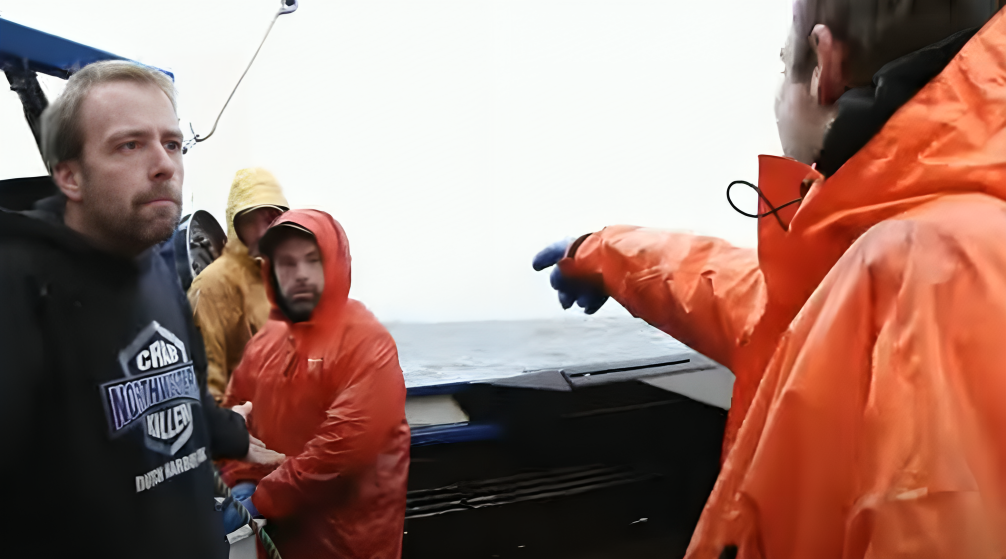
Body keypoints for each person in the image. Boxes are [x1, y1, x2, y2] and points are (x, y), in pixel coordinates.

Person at [534, 2, 1006, 557]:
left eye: (786, 66)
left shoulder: (918, 267)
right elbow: (738, 295)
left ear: (824, 68)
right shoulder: (913, 249)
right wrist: (603, 253)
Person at [0, 59, 276, 558]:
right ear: (69, 177)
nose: (165, 164)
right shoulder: (21, 287)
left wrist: (230, 433)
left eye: (172, 143)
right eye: (130, 145)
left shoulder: (155, 269)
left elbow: (178, 390)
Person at [218, 209, 411, 559]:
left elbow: (343, 450)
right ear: (271, 270)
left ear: (335, 263)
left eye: (313, 260)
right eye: (288, 263)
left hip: (349, 545)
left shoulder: (367, 342)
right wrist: (239, 480)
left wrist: (263, 497)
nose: (301, 274)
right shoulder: (264, 343)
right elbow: (235, 420)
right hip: (280, 541)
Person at [188, 168, 289, 402]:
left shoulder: (280, 278)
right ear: (237, 220)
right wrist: (229, 425)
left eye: (274, 216)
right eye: (258, 215)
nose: (267, 226)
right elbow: (205, 376)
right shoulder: (212, 284)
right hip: (245, 423)